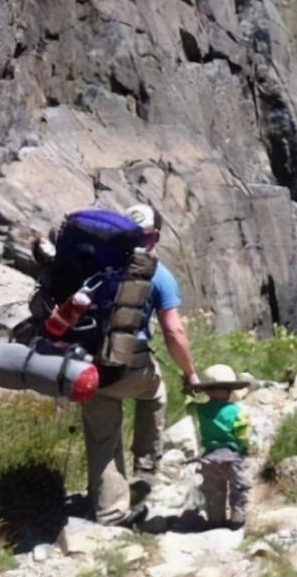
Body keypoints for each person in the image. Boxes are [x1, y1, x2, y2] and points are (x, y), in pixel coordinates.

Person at [80, 203, 201, 527]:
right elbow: (173, 331)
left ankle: (109, 512)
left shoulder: (97, 263)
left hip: (91, 368)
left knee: (104, 435)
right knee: (155, 392)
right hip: (134, 366)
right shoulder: (158, 273)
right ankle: (144, 477)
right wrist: (190, 372)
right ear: (155, 236)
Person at [188, 364, 251, 529]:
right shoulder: (236, 410)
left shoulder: (199, 409)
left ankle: (215, 520)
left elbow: (187, 405)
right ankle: (237, 517)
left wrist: (189, 390)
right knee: (239, 487)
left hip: (209, 457)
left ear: (207, 391)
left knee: (213, 490)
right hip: (232, 457)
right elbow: (242, 434)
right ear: (229, 391)